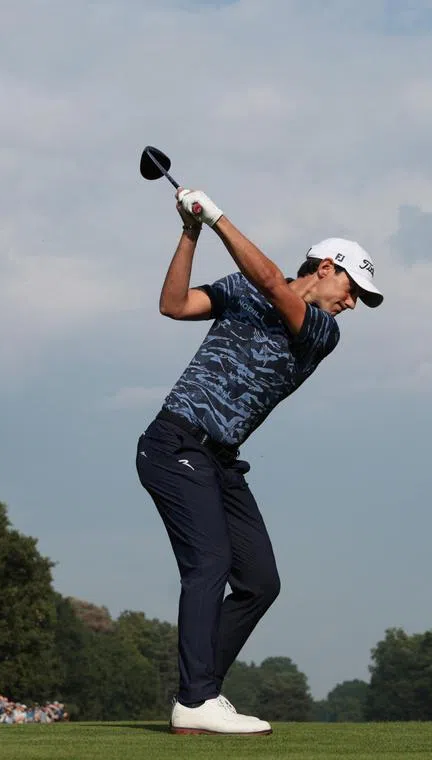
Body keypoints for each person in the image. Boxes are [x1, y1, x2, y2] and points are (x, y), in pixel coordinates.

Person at [135, 187, 384, 735]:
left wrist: (216, 214)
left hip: (218, 459)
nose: (352, 304)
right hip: (175, 442)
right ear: (326, 268)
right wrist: (190, 232)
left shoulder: (321, 332)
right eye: (352, 289)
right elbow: (173, 304)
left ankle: (198, 695)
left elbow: (272, 281)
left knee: (259, 581)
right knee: (210, 564)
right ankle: (197, 699)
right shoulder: (239, 291)